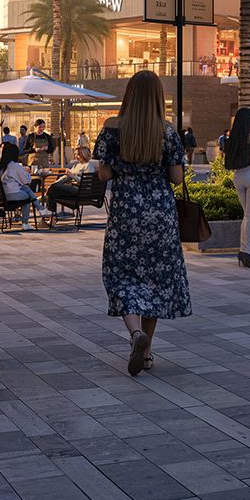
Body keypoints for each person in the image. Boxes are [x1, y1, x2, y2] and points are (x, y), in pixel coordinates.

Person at [94, 70, 191, 377]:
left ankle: (135, 334)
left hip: (126, 211)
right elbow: (176, 178)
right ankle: (146, 352)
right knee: (156, 279)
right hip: (160, 212)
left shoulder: (111, 128)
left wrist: (125, 168)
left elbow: (103, 174)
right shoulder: (167, 131)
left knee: (123, 274)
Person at [220, 107, 250, 269]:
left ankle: (242, 250)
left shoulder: (233, 138)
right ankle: (247, 253)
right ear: (249, 120)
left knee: (247, 216)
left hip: (238, 176)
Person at [46, 145, 98, 216]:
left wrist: (72, 176)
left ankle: (50, 215)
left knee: (52, 190)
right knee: (52, 191)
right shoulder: (76, 165)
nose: (76, 156)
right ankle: (51, 217)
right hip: (73, 189)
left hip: (81, 191)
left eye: (78, 154)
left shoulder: (88, 166)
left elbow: (86, 183)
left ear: (84, 154)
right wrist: (54, 184)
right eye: (75, 154)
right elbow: (65, 177)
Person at [0, 142, 38, 224]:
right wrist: (26, 172)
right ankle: (25, 223)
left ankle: (18, 216)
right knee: (28, 196)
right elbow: (27, 181)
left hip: (0, 196)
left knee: (24, 190)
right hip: (12, 195)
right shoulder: (14, 165)